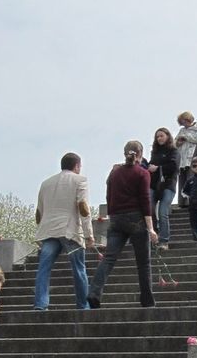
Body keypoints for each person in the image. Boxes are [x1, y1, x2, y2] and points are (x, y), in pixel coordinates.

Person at [87, 142, 157, 309]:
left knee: (109, 258)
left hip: (116, 218)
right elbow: (145, 201)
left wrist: (112, 214)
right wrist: (151, 228)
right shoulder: (143, 173)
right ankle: (147, 301)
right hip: (136, 219)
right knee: (143, 262)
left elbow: (108, 195)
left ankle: (94, 292)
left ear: (125, 153)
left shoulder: (114, 173)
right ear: (140, 154)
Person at [34, 153, 96, 311]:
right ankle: (83, 305)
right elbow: (83, 208)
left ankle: (41, 304)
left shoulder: (45, 183)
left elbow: (39, 212)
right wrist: (89, 235)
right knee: (79, 268)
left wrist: (40, 231)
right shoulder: (80, 180)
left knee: (44, 268)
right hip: (70, 231)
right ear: (77, 166)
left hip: (48, 231)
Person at [147, 128, 179, 250]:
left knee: (162, 211)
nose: (159, 138)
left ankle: (164, 240)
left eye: (161, 136)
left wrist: (158, 168)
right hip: (154, 184)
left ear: (167, 136)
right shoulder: (154, 152)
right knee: (149, 209)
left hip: (168, 185)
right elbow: (151, 164)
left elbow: (174, 166)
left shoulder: (174, 151)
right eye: (157, 137)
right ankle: (153, 237)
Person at [174, 112, 197, 205]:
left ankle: (191, 201)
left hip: (192, 159)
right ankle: (182, 202)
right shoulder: (182, 130)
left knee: (191, 180)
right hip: (182, 160)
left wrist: (185, 137)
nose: (184, 124)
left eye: (184, 122)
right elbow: (175, 142)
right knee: (182, 181)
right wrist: (178, 142)